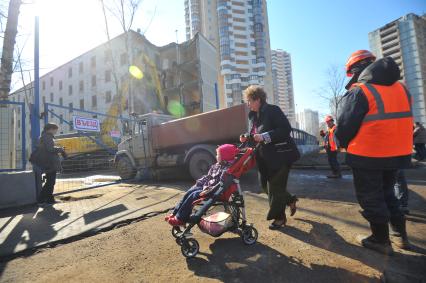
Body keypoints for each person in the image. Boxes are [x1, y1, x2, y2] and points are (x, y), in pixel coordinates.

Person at [335, 50, 413, 255]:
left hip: (367, 154)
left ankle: (380, 239)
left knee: (371, 197)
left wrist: (343, 144)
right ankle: (400, 236)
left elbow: (344, 126)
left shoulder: (361, 90)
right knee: (389, 194)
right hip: (396, 154)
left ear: (354, 69)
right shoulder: (402, 88)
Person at [240, 85, 300, 230]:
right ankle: (290, 199)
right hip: (263, 158)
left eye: (249, 100)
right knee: (264, 185)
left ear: (258, 99)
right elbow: (255, 135)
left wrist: (265, 136)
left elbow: (285, 129)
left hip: (280, 156)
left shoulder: (273, 110)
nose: (247, 104)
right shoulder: (253, 116)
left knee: (274, 188)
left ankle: (279, 218)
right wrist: (246, 138)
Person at [166, 144, 239, 226]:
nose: (216, 156)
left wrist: (206, 190)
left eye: (218, 155)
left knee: (193, 195)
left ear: (225, 157)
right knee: (190, 191)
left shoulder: (227, 170)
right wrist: (199, 183)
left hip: (214, 191)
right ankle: (175, 213)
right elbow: (208, 176)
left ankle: (180, 219)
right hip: (207, 186)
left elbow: (220, 184)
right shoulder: (216, 165)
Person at [29, 123, 66, 205]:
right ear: (51, 129)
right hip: (50, 163)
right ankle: (42, 199)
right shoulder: (47, 137)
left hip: (47, 162)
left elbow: (48, 149)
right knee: (50, 182)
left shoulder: (44, 136)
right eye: (55, 129)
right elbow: (50, 149)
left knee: (50, 182)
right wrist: (60, 149)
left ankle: (48, 199)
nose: (56, 131)